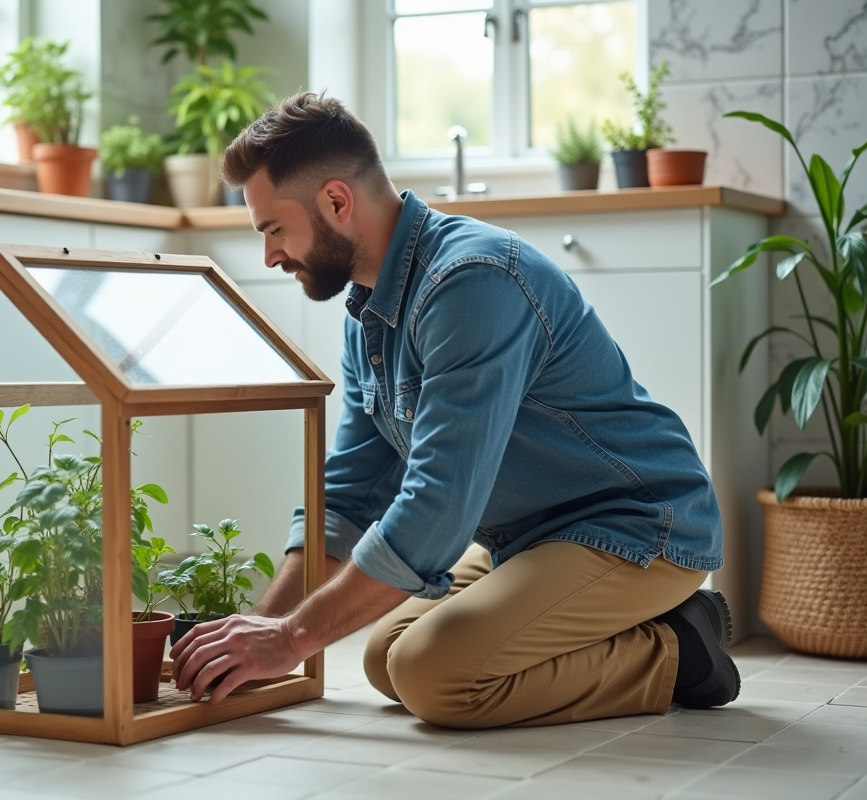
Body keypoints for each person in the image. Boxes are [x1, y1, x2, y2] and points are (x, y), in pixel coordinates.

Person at [169, 92, 740, 728]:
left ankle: (682, 643)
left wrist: (293, 640)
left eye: (273, 229)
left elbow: (438, 505)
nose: (270, 256)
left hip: (636, 527)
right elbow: (351, 494)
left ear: (336, 201)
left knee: (437, 676)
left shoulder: (473, 281)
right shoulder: (369, 311)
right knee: (386, 658)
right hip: (527, 538)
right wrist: (267, 627)